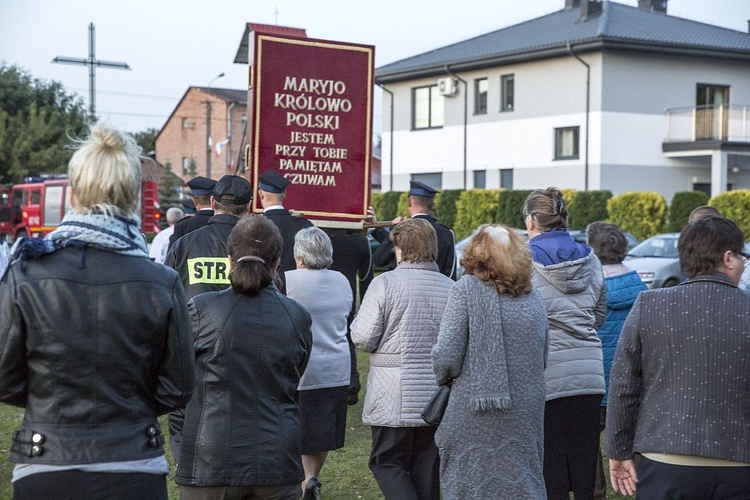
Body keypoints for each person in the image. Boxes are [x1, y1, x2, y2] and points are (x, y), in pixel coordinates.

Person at [0, 123, 196, 500]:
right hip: (133, 460)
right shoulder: (161, 281)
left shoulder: (26, 273)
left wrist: (52, 403)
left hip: (48, 460)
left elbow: (5, 377)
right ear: (132, 196)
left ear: (72, 193)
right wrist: (128, 407)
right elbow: (180, 385)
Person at [606, 216, 750, 498]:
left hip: (664, 459)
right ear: (729, 258)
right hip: (740, 460)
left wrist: (618, 450)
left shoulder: (650, 305)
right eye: (743, 257)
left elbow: (624, 386)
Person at [174, 215, 312, 500]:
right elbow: (296, 375)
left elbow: (176, 374)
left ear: (229, 261)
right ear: (276, 265)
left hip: (213, 460)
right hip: (273, 459)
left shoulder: (202, 309)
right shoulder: (296, 316)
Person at [432, 224, 548, 499]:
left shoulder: (465, 291)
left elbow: (447, 356)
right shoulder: (534, 298)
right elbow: (542, 356)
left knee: (470, 482)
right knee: (521, 481)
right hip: (525, 408)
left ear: (477, 254)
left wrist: (442, 370)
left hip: (473, 407)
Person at [351, 218, 454, 500]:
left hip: (392, 393)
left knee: (386, 462)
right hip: (434, 397)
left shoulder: (385, 284)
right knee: (426, 467)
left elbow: (363, 337)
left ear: (399, 248)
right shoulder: (450, 288)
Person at [522, 187, 606, 500]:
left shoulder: (525, 260)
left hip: (546, 373)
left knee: (550, 462)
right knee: (585, 460)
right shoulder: (591, 257)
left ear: (532, 221)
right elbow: (599, 313)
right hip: (588, 371)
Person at [285, 227, 353, 500]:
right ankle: (312, 477)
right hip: (336, 366)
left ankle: (306, 480)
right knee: (323, 432)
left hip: (300, 367)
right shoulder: (342, 280)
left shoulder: (288, 280)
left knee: (298, 429)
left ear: (299, 256)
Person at [585, 221, 647, 499]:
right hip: (631, 382)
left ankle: (596, 491)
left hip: (594, 378)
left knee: (588, 444)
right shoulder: (641, 288)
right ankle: (638, 487)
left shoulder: (587, 287)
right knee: (636, 442)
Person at [165, 174, 251, 301]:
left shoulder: (183, 245)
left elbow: (165, 293)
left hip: (192, 319)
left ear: (212, 203)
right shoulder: (257, 247)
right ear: (248, 206)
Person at [323, 227, 373, 405]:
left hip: (322, 293)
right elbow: (367, 277)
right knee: (345, 337)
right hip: (347, 295)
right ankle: (351, 378)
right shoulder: (359, 241)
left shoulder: (318, 236)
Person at [371, 181, 456, 279]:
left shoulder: (402, 230)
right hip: (437, 289)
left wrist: (394, 229)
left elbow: (379, 259)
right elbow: (450, 272)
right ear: (431, 204)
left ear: (409, 201)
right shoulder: (447, 233)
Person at [258, 170, 313, 292]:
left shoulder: (253, 225)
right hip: (297, 293)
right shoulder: (303, 224)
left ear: (261, 194)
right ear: (284, 194)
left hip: (263, 292)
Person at [168, 176, 217, 248]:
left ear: (194, 201)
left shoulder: (183, 226)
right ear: (213, 199)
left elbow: (172, 257)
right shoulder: (225, 222)